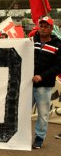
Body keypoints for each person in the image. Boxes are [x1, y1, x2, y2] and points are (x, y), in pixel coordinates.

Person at [32, 16, 61, 149]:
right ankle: (20, 135)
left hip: (44, 85)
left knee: (43, 114)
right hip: (27, 84)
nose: (42, 29)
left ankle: (39, 137)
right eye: (41, 26)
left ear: (51, 28)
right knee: (21, 111)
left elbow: (58, 67)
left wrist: (41, 76)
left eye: (46, 26)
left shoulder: (58, 45)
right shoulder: (32, 40)